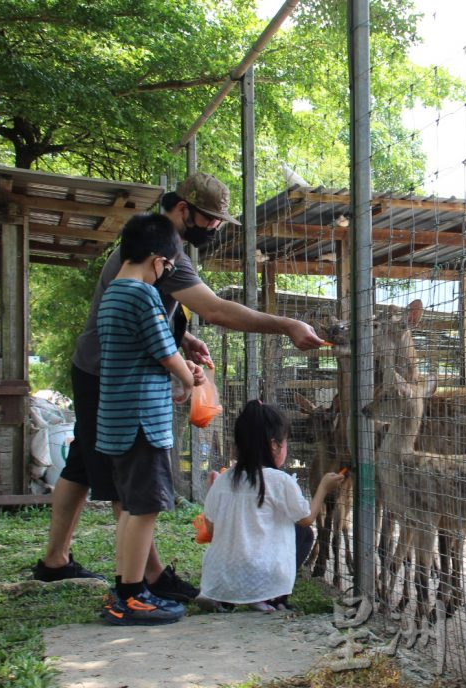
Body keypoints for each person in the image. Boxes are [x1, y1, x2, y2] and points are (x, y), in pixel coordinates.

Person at [31, 173, 325, 602]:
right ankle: (143, 582)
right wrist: (286, 325)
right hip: (113, 376)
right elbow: (216, 309)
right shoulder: (164, 250)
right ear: (183, 209)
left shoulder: (147, 244)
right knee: (128, 481)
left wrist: (180, 336)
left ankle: (56, 561)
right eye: (210, 219)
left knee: (83, 464)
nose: (216, 228)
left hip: (97, 366)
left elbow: (147, 313)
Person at [95, 213, 196, 625]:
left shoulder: (112, 294)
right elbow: (164, 352)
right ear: (158, 260)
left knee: (131, 509)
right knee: (145, 510)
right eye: (169, 267)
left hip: (118, 419)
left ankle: (123, 589)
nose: (166, 274)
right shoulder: (143, 295)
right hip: (142, 423)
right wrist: (190, 378)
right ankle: (134, 596)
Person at [197, 400, 345, 612]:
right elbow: (306, 519)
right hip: (261, 576)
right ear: (274, 445)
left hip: (219, 576)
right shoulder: (279, 480)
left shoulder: (222, 480)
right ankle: (270, 596)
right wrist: (323, 487)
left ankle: (222, 596)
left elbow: (211, 529)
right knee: (304, 534)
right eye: (285, 442)